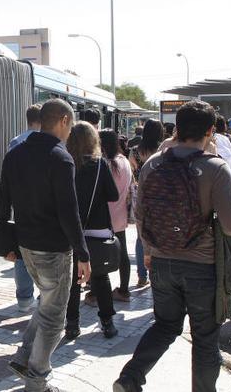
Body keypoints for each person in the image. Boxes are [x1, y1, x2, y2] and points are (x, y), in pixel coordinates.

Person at [114, 101, 231, 392]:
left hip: (161, 262)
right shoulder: (215, 168)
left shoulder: (152, 164)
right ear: (211, 131)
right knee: (205, 338)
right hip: (203, 265)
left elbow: (142, 214)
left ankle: (129, 378)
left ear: (177, 128)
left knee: (165, 326)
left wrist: (149, 251)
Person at [0, 98, 91, 392]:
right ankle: (37, 380)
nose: (71, 130)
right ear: (62, 120)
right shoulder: (60, 158)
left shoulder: (15, 154)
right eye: (71, 124)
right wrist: (83, 253)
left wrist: (7, 243)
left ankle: (24, 358)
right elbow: (68, 211)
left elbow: (2, 203)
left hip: (26, 246)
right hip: (54, 249)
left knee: (46, 304)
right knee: (54, 316)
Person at [65, 123, 120, 340]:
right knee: (100, 277)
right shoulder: (100, 166)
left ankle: (72, 325)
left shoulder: (66, 163)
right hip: (97, 229)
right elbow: (113, 195)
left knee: (73, 280)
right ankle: (107, 323)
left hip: (71, 229)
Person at [6, 104, 41, 312]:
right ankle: (44, 294)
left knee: (21, 254)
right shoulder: (49, 142)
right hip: (43, 204)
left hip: (20, 204)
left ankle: (24, 299)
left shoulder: (15, 141)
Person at [128, 119, 163, 288]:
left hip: (140, 194)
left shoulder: (135, 151)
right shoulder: (164, 149)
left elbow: (132, 174)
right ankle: (157, 274)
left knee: (140, 236)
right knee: (159, 234)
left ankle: (142, 276)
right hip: (160, 196)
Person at [100, 129, 134, 302]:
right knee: (123, 255)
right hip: (120, 215)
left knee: (99, 256)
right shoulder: (125, 161)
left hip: (104, 216)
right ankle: (124, 290)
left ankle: (97, 293)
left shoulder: (105, 164)